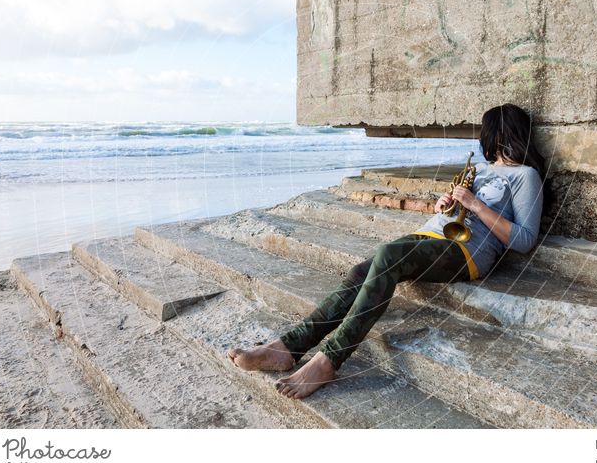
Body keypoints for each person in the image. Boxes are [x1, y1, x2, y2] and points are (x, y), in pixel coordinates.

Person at [227, 103, 547, 399]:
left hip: (466, 249)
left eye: (486, 131)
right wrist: (445, 205)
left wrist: (474, 204)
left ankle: (329, 359)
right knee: (360, 272)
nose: (483, 139)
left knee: (388, 256)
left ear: (499, 133)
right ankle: (287, 347)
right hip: (432, 234)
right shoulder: (482, 168)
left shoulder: (525, 176)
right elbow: (455, 209)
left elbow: (523, 240)